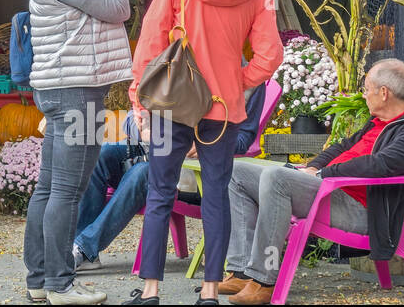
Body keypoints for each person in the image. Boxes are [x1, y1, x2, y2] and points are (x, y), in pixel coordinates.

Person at [126, 0, 281, 305]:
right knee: (216, 195)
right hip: (223, 112)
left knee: (159, 193)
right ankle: (210, 292)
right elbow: (270, 57)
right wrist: (236, 81)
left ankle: (151, 291)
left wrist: (139, 104)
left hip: (169, 106)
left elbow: (150, 44)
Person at [222, 59, 404, 304]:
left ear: (384, 93)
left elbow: (380, 165)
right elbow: (343, 146)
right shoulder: (379, 122)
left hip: (360, 209)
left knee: (276, 177)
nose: (363, 95)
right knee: (235, 172)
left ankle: (264, 280)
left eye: (366, 89)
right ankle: (240, 272)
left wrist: (324, 174)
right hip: (329, 191)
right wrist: (314, 167)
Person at [21, 0, 131, 305]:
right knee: (66, 190)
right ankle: (60, 285)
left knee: (49, 189)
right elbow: (118, 8)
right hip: (75, 90)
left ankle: (39, 280)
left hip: (64, 87)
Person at [72, 86, 269, 271]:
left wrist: (206, 142)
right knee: (100, 156)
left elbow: (244, 140)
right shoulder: (172, 64)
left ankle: (83, 250)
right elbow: (131, 118)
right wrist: (143, 128)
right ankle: (82, 249)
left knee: (143, 172)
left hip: (193, 171)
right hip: (150, 151)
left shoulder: (251, 84)